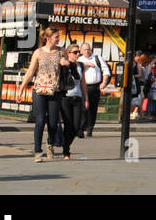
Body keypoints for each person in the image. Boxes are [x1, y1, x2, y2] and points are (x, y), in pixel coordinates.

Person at [19, 27, 68, 162]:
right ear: (48, 38)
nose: (58, 39)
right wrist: (22, 88)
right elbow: (30, 71)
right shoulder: (38, 52)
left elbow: (69, 67)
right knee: (40, 120)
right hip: (39, 90)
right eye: (56, 37)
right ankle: (37, 151)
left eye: (58, 36)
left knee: (52, 123)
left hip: (55, 91)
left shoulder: (61, 51)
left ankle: (50, 143)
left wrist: (66, 63)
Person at [58, 44, 88, 161]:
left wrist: (86, 98)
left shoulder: (80, 65)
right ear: (68, 53)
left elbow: (83, 82)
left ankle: (65, 145)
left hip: (78, 97)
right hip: (66, 97)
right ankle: (66, 151)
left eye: (78, 52)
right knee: (68, 125)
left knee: (76, 126)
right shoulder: (63, 64)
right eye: (75, 52)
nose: (77, 54)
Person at [77, 42, 111, 137]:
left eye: (88, 49)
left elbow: (106, 70)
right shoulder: (80, 59)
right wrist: (85, 64)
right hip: (83, 86)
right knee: (83, 107)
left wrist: (104, 82)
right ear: (81, 51)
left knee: (92, 108)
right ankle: (81, 128)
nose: (87, 51)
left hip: (95, 86)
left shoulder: (97, 58)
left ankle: (89, 129)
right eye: (85, 49)